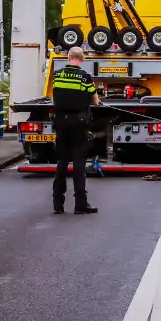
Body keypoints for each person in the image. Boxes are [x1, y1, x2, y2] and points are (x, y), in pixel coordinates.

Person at [51, 46, 99, 215]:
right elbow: (95, 100)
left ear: (68, 57)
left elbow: (56, 95)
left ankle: (58, 203)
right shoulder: (85, 78)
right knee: (79, 163)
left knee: (62, 162)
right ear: (82, 59)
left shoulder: (58, 75)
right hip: (79, 124)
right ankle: (80, 204)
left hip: (61, 122)